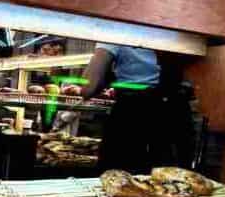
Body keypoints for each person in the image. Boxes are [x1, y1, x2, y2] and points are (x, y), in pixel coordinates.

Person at [75, 44, 189, 174]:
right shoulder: (177, 31)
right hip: (176, 112)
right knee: (171, 180)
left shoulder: (117, 31)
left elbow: (88, 88)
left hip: (132, 113)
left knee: (119, 177)